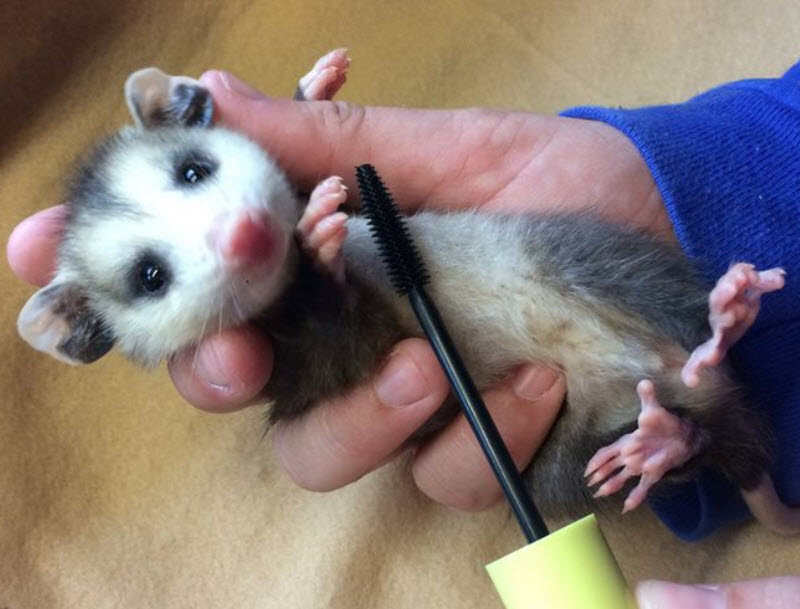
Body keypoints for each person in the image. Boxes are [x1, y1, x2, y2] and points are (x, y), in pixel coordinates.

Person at [8, 64, 800, 608]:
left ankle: (706, 388)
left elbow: (286, 166)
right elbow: (344, 349)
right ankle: (685, 433)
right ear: (96, 331)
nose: (226, 230)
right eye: (151, 278)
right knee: (563, 458)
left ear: (184, 120)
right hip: (589, 402)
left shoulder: (317, 203)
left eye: (191, 175)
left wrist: (300, 114)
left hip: (556, 284)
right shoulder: (284, 340)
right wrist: (323, 289)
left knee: (590, 268)